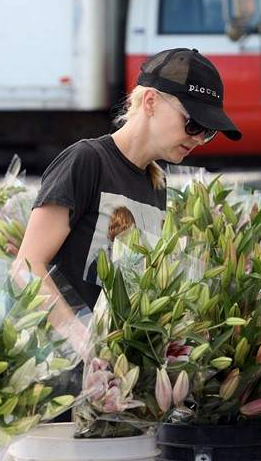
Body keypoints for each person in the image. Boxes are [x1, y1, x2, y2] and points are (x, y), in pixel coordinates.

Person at [14, 48, 242, 326]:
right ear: (150, 101)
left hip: (113, 363)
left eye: (208, 131)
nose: (198, 138)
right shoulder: (86, 160)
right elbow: (25, 268)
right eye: (193, 123)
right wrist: (81, 343)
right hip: (65, 360)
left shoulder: (156, 183)